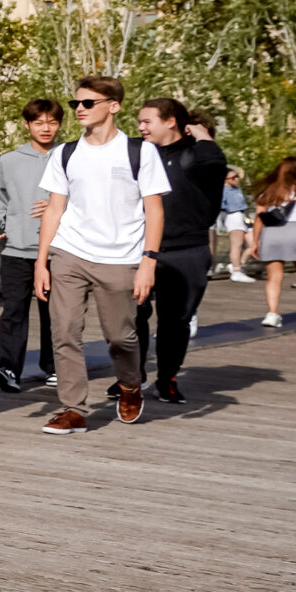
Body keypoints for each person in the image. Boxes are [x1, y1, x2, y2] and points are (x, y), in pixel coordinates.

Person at [35, 76, 172, 434]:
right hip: (70, 253)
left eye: (88, 103)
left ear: (113, 106)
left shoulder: (140, 152)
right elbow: (54, 209)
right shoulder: (65, 153)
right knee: (64, 331)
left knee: (120, 337)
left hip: (122, 258)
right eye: (75, 103)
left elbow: (154, 210)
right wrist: (41, 261)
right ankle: (73, 409)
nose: (79, 109)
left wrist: (149, 261)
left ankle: (130, 385)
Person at [132, 98, 227, 402]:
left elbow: (215, 164)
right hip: (139, 248)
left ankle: (167, 379)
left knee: (175, 321)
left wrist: (203, 136)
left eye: (147, 121)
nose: (140, 127)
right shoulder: (139, 153)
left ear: (171, 121)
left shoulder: (197, 155)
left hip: (186, 250)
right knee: (131, 315)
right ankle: (132, 377)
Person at [0, 98, 64, 392]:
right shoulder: (9, 161)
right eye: (39, 122)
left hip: (58, 250)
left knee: (56, 313)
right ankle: (9, 369)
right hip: (16, 249)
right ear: (27, 125)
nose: (46, 128)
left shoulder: (69, 158)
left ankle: (55, 367)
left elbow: (90, 198)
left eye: (52, 122)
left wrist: (58, 206)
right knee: (13, 311)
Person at [250, 156, 296, 329]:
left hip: (273, 234)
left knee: (274, 278)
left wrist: (255, 242)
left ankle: (272, 314)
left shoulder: (268, 191)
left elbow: (259, 219)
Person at [220, 162, 255, 281]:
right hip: (233, 216)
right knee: (237, 245)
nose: (236, 179)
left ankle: (239, 264)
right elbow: (221, 207)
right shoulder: (224, 190)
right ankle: (236, 271)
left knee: (254, 244)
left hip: (244, 216)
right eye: (233, 177)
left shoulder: (237, 189)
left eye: (237, 176)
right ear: (225, 179)